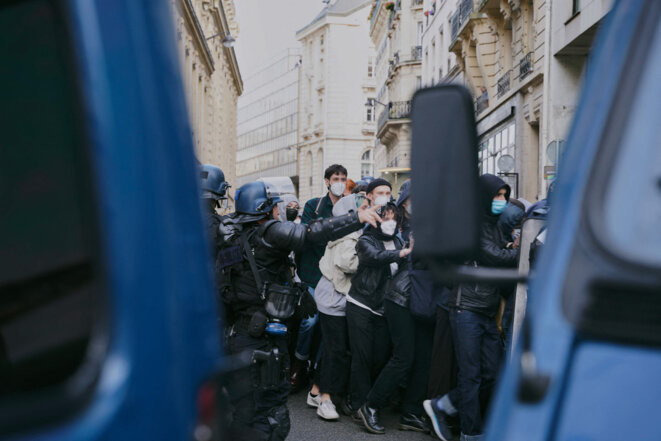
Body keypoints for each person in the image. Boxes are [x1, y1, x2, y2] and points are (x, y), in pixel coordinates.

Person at [217, 180, 381, 441]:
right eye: (273, 207)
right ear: (265, 209)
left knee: (243, 410)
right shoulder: (268, 234)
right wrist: (355, 217)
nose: (277, 211)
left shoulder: (231, 239)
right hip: (261, 341)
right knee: (269, 416)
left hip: (236, 335)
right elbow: (312, 232)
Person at [424, 174, 519, 441]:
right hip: (466, 307)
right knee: (472, 375)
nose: (501, 201)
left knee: (493, 372)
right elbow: (493, 256)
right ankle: (471, 433)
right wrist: (526, 251)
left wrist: (513, 248)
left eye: (504, 195)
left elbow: (499, 253)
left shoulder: (493, 224)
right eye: (496, 195)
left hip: (486, 309)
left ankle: (442, 406)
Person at [346, 179, 411, 431]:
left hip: (385, 309)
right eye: (386, 217)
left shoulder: (398, 241)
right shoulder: (366, 241)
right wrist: (403, 254)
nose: (390, 221)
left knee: (379, 357)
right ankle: (360, 405)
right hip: (361, 304)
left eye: (394, 217)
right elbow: (374, 258)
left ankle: (369, 401)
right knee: (361, 358)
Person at [291, 164, 349, 391]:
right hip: (313, 273)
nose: (340, 182)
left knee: (331, 325)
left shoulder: (350, 207)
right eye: (336, 178)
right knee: (310, 321)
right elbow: (309, 234)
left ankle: (319, 367)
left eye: (343, 178)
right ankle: (300, 361)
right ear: (327, 181)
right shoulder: (314, 206)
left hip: (337, 276)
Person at [309, 194, 366, 421]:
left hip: (332, 294)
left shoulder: (342, 231)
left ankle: (315, 390)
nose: (365, 210)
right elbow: (346, 262)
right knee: (337, 349)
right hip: (334, 296)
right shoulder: (349, 234)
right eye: (360, 207)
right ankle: (325, 399)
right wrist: (370, 258)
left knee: (332, 346)